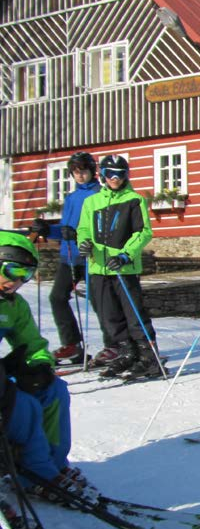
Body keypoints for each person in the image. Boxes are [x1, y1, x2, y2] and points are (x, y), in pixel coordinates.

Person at [0, 232, 98, 507]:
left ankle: (54, 465)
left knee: (54, 391)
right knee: (23, 406)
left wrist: (40, 365)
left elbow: (32, 342)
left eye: (26, 274)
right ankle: (36, 475)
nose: (17, 280)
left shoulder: (12, 305)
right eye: (13, 270)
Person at [76, 156, 162, 380]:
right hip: (98, 268)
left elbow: (143, 232)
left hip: (124, 268)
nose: (115, 178)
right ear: (102, 175)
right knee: (109, 316)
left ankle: (148, 357)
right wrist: (83, 243)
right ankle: (127, 352)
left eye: (120, 174)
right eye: (110, 173)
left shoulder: (134, 200)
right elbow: (83, 229)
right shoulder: (91, 202)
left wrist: (125, 255)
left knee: (134, 315)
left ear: (126, 175)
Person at [29, 152, 112, 367]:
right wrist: (48, 229)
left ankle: (113, 345)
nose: (79, 176)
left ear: (92, 172)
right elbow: (65, 230)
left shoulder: (99, 194)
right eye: (75, 172)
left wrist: (75, 234)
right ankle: (72, 345)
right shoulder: (71, 197)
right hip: (69, 256)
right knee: (57, 297)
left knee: (99, 301)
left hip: (91, 256)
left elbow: (104, 228)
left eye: (83, 171)